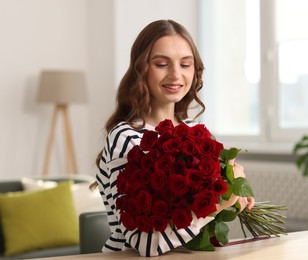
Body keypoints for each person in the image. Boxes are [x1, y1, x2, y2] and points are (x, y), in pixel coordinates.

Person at [94, 19, 255, 257]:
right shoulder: (125, 138)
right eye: (161, 64)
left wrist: (234, 192)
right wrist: (219, 203)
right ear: (141, 69)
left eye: (185, 64)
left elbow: (200, 226)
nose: (175, 74)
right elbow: (142, 244)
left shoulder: (196, 131)